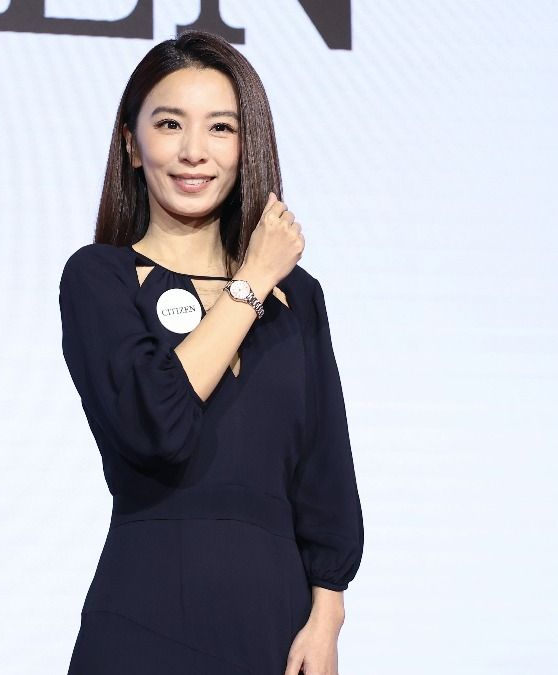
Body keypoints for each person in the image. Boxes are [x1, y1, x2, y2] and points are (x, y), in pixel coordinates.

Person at [59, 30, 364, 675]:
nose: (194, 151)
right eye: (170, 124)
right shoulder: (99, 279)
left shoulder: (299, 297)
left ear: (247, 146)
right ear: (132, 145)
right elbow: (158, 425)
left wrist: (327, 618)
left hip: (274, 624)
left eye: (221, 127)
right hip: (145, 613)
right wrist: (251, 281)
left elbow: (325, 473)